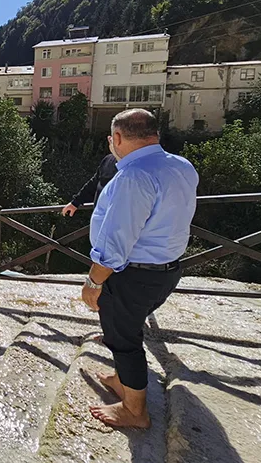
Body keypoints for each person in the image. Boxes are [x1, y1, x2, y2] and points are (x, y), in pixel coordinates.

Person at [81, 109, 198, 428]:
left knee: (122, 337)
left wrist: (93, 282)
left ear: (117, 138)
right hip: (166, 269)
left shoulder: (133, 176)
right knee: (127, 327)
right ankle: (123, 380)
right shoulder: (181, 166)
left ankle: (134, 411)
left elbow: (116, 240)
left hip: (134, 274)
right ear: (154, 134)